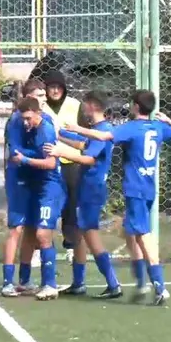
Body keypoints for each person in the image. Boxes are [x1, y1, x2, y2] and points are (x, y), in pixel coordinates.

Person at [64, 90, 171, 305]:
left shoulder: (131, 128)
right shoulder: (157, 127)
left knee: (143, 235)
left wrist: (76, 129)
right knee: (130, 233)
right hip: (148, 188)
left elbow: (104, 136)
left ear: (136, 106)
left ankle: (159, 286)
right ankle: (141, 283)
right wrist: (169, 120)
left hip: (135, 189)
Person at [44, 93, 122, 298]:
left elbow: (89, 159)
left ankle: (113, 283)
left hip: (92, 189)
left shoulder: (104, 129)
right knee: (78, 233)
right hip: (85, 187)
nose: (83, 108)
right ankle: (78, 283)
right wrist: (59, 135)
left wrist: (60, 152)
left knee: (90, 234)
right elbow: (82, 145)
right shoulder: (95, 130)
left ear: (93, 106)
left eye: (85, 104)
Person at [11, 95, 65, 300]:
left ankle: (50, 284)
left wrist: (24, 159)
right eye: (23, 118)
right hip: (35, 185)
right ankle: (25, 281)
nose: (26, 122)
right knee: (29, 232)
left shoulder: (45, 131)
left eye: (29, 118)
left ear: (38, 113)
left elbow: (50, 163)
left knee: (43, 234)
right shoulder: (28, 129)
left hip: (49, 188)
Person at [1, 79, 45, 297]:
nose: (43, 99)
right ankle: (7, 281)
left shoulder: (44, 119)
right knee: (16, 228)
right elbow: (16, 152)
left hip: (35, 175)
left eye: (44, 95)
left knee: (31, 229)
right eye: (38, 95)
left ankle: (24, 279)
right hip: (18, 177)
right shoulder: (16, 120)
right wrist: (40, 154)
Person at [41, 70, 83, 257]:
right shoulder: (41, 105)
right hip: (48, 162)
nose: (56, 90)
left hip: (71, 161)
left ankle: (71, 245)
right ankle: (42, 246)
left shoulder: (75, 105)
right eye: (52, 87)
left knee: (71, 206)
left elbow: (84, 132)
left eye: (59, 87)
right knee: (46, 204)